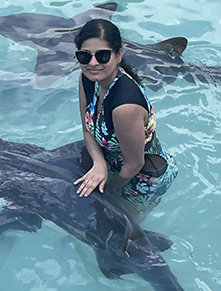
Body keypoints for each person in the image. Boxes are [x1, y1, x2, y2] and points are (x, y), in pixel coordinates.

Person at [73, 19, 177, 216]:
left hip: (142, 178)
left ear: (118, 54)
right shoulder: (87, 78)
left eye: (103, 56)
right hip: (115, 165)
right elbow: (87, 129)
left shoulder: (125, 107)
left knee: (124, 237)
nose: (93, 63)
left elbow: (134, 165)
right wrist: (99, 164)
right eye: (84, 56)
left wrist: (108, 190)